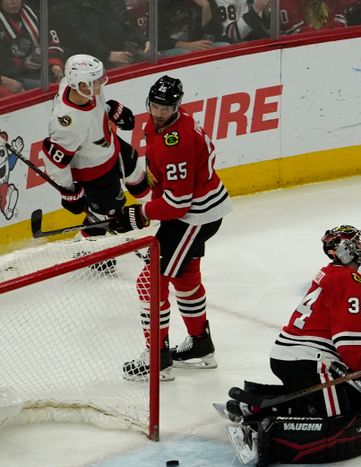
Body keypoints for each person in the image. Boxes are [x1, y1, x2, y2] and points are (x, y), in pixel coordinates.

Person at [221, 226, 361, 467]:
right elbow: (351, 345)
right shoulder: (351, 282)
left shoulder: (329, 274)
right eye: (355, 243)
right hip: (311, 360)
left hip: (289, 355)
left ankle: (251, 405)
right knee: (339, 419)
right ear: (344, 250)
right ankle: (259, 429)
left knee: (343, 400)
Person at [115, 75, 233, 381]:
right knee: (184, 276)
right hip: (196, 211)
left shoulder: (176, 142)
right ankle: (201, 347)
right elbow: (162, 182)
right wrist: (140, 209)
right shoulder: (156, 126)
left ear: (177, 107)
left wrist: (140, 213)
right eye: (154, 105)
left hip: (194, 216)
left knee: (149, 281)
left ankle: (158, 359)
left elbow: (178, 203)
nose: (157, 112)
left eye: (165, 108)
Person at [41, 54, 146, 238]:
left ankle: (156, 210)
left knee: (136, 171)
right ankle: (87, 256)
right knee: (107, 217)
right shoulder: (68, 123)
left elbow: (93, 115)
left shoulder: (77, 87)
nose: (101, 83)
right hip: (96, 173)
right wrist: (69, 192)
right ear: (81, 85)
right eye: (96, 81)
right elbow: (56, 162)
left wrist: (110, 110)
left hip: (111, 146)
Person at [0, 0, 64, 88]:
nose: (14, 1)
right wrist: (22, 65)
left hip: (43, 67)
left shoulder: (34, 11)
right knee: (52, 87)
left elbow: (51, 39)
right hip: (13, 77)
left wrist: (55, 63)